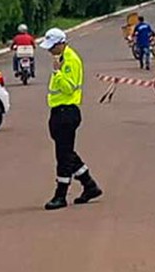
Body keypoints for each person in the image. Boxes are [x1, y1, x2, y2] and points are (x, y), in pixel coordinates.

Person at [39, 28, 102, 210]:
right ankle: (89, 185)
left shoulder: (70, 60)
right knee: (66, 151)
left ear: (61, 43)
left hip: (67, 112)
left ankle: (61, 195)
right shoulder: (61, 57)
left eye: (52, 47)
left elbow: (69, 87)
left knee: (63, 156)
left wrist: (57, 73)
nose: (49, 51)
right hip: (58, 111)